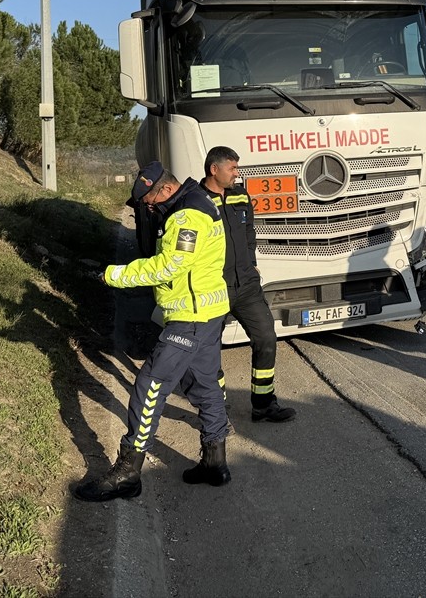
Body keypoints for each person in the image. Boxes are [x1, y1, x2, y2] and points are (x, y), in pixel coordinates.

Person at [73, 162, 233, 502]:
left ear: (164, 189)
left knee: (149, 387)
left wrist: (115, 275)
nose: (148, 208)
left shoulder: (186, 217)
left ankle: (128, 472)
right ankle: (215, 462)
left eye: (149, 201)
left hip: (190, 317)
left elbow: (170, 265)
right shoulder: (200, 201)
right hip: (208, 314)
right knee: (205, 385)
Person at [201, 146, 297, 423]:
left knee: (266, 337)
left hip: (246, 285)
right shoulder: (196, 200)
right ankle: (216, 411)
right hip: (214, 286)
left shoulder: (240, 195)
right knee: (209, 350)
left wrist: (252, 260)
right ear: (214, 169)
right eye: (232, 168)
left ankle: (264, 405)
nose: (237, 174)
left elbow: (248, 230)